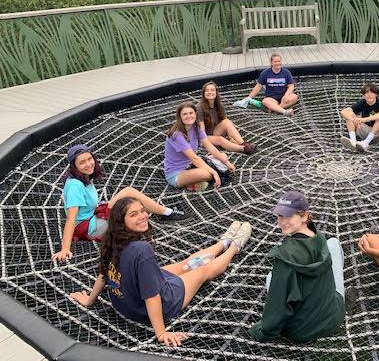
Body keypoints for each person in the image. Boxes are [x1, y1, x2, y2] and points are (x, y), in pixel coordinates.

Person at [69, 197, 252, 347]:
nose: (143, 216)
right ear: (121, 221)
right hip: (152, 307)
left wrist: (90, 300)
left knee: (185, 264)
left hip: (124, 302)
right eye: (134, 214)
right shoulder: (142, 250)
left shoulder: (111, 239)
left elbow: (104, 273)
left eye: (142, 210)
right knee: (202, 270)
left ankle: (223, 242)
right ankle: (234, 247)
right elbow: (152, 295)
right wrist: (161, 333)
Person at [52, 144, 188, 262]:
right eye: (82, 162)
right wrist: (65, 249)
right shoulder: (76, 185)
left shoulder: (81, 178)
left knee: (129, 198)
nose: (88, 164)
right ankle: (167, 213)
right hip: (88, 228)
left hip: (92, 216)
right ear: (74, 166)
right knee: (128, 202)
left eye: (89, 159)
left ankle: (164, 212)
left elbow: (70, 199)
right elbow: (71, 219)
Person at [248, 191, 349, 343]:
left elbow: (276, 313)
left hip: (301, 331)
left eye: (288, 216)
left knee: (271, 277)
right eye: (279, 216)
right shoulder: (319, 236)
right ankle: (338, 301)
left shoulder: (285, 259)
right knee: (333, 243)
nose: (281, 222)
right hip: (333, 316)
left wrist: (260, 331)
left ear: (304, 216)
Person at [164, 102, 236, 192]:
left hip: (191, 165)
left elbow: (210, 146)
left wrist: (227, 162)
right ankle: (192, 183)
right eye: (185, 114)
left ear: (195, 114)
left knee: (223, 156)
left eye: (191, 113)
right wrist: (213, 172)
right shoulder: (176, 135)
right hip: (177, 173)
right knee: (206, 174)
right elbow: (194, 158)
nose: (189, 116)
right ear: (180, 117)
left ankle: (198, 181)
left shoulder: (196, 128)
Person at [197, 81, 256, 155]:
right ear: (203, 93)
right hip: (203, 138)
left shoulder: (219, 105)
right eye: (207, 90)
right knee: (220, 140)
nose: (210, 92)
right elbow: (201, 132)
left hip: (214, 132)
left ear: (216, 92)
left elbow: (226, 122)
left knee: (227, 122)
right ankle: (243, 149)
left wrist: (231, 136)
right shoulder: (199, 108)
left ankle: (243, 144)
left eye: (212, 90)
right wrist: (209, 145)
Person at [339, 82, 379, 153]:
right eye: (367, 93)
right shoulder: (362, 102)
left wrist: (365, 119)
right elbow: (343, 111)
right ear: (363, 96)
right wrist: (353, 119)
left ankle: (366, 143)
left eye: (372, 92)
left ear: (376, 94)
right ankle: (353, 143)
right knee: (349, 115)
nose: (369, 95)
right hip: (365, 131)